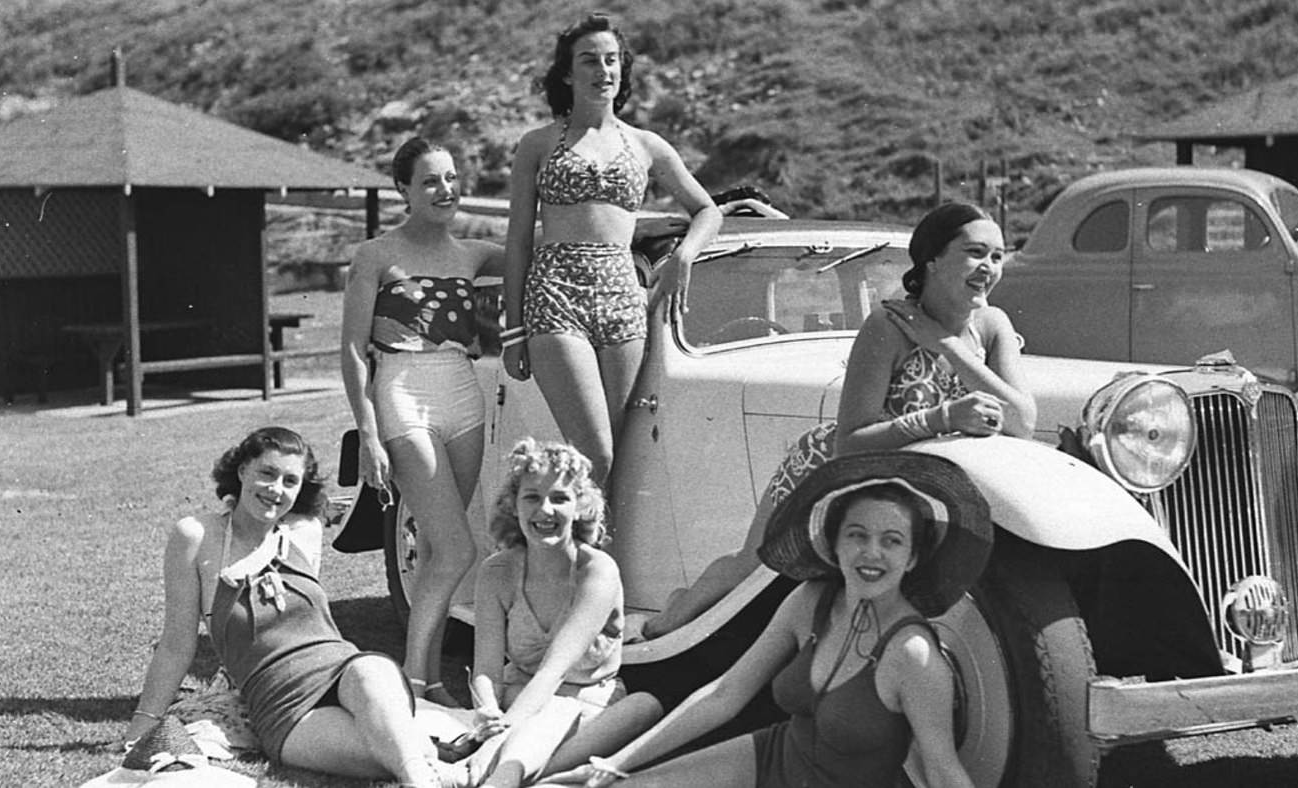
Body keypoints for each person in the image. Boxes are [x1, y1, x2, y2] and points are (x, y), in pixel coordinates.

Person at [634, 201, 1034, 642]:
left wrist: (947, 346)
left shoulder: (992, 326)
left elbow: (1021, 422)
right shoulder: (887, 325)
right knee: (754, 564)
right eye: (975, 253)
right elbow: (850, 442)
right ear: (933, 260)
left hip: (921, 481)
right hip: (831, 467)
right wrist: (944, 417)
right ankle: (665, 623)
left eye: (998, 256)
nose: (989, 268)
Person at [547, 451, 991, 788]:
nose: (871, 553)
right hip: (772, 756)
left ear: (912, 558)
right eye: (857, 535)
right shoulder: (811, 599)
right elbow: (724, 694)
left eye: (892, 541)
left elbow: (941, 769)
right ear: (833, 544)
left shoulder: (912, 654)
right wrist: (616, 762)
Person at [123, 426, 451, 787]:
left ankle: (424, 780)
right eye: (266, 473)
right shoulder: (196, 536)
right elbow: (175, 644)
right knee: (400, 752)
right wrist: (143, 723)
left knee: (373, 678)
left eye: (290, 481)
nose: (276, 490)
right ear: (242, 470)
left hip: (346, 671)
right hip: (283, 706)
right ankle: (447, 775)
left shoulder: (303, 530)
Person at [503, 12, 723, 487]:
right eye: (589, 61)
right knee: (593, 455)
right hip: (555, 296)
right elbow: (518, 238)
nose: (603, 71)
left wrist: (684, 256)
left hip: (623, 299)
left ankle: (592, 559)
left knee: (618, 462)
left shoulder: (647, 145)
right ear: (567, 72)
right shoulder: (537, 145)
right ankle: (571, 556)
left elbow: (708, 211)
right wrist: (512, 330)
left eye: (611, 60)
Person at [341, 136, 503, 706]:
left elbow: (548, 251)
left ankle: (430, 682)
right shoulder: (376, 256)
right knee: (458, 550)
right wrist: (367, 432)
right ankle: (413, 680)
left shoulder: (475, 254)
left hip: (463, 392)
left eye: (452, 178)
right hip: (403, 393)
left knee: (440, 551)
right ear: (404, 190)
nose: (445, 190)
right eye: (431, 181)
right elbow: (355, 351)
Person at [442, 438, 660, 788]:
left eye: (559, 498)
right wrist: (486, 709)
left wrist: (495, 740)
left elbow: (553, 674)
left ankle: (496, 772)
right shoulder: (497, 572)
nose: (545, 510)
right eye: (532, 497)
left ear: (580, 507)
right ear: (513, 505)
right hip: (516, 701)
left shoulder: (597, 572)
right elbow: (486, 669)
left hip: (586, 705)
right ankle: (511, 774)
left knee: (628, 707)